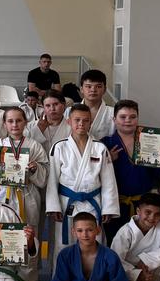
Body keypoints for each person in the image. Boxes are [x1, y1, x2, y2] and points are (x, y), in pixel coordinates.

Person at [0, 106, 49, 281]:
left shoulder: (34, 145)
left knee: (28, 236)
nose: (15, 125)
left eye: (19, 120)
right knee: (3, 235)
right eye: (10, 121)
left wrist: (36, 168)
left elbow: (45, 174)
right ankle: (4, 279)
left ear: (25, 122)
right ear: (4, 124)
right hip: (3, 196)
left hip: (27, 195)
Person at [46, 104, 119, 263]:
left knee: (94, 242)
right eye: (77, 120)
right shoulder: (59, 147)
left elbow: (108, 181)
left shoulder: (100, 148)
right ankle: (63, 277)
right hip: (67, 203)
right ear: (68, 121)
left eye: (86, 120)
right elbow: (52, 180)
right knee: (63, 244)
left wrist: (109, 208)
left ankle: (94, 276)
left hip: (93, 203)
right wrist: (53, 206)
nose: (81, 124)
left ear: (90, 123)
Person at [100, 100, 160, 242]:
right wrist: (107, 161)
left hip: (143, 204)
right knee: (115, 243)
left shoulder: (150, 141)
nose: (128, 120)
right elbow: (96, 176)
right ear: (114, 119)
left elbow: (156, 178)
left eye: (132, 117)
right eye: (122, 117)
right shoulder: (105, 143)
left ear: (137, 118)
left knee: (143, 244)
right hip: (115, 204)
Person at [71, 69, 113, 141]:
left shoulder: (113, 113)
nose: (93, 90)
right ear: (81, 89)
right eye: (88, 86)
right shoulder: (70, 111)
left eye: (98, 86)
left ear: (104, 89)